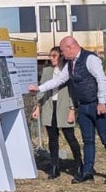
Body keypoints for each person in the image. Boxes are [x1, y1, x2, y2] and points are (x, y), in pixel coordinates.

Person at [28, 36, 106, 184]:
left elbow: (101, 79)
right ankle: (87, 172)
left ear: (70, 47)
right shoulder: (70, 64)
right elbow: (58, 80)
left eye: (63, 51)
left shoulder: (90, 59)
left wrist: (102, 102)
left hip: (97, 104)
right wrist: (39, 88)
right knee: (88, 141)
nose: (62, 55)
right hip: (83, 106)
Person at [30, 46, 83, 178]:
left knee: (70, 136)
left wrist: (72, 109)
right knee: (52, 138)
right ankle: (55, 166)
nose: (51, 58)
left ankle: (79, 164)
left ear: (61, 56)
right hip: (49, 106)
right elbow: (42, 90)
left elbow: (72, 91)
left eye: (54, 56)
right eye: (50, 56)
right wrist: (38, 107)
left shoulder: (68, 70)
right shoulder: (47, 71)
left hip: (64, 106)